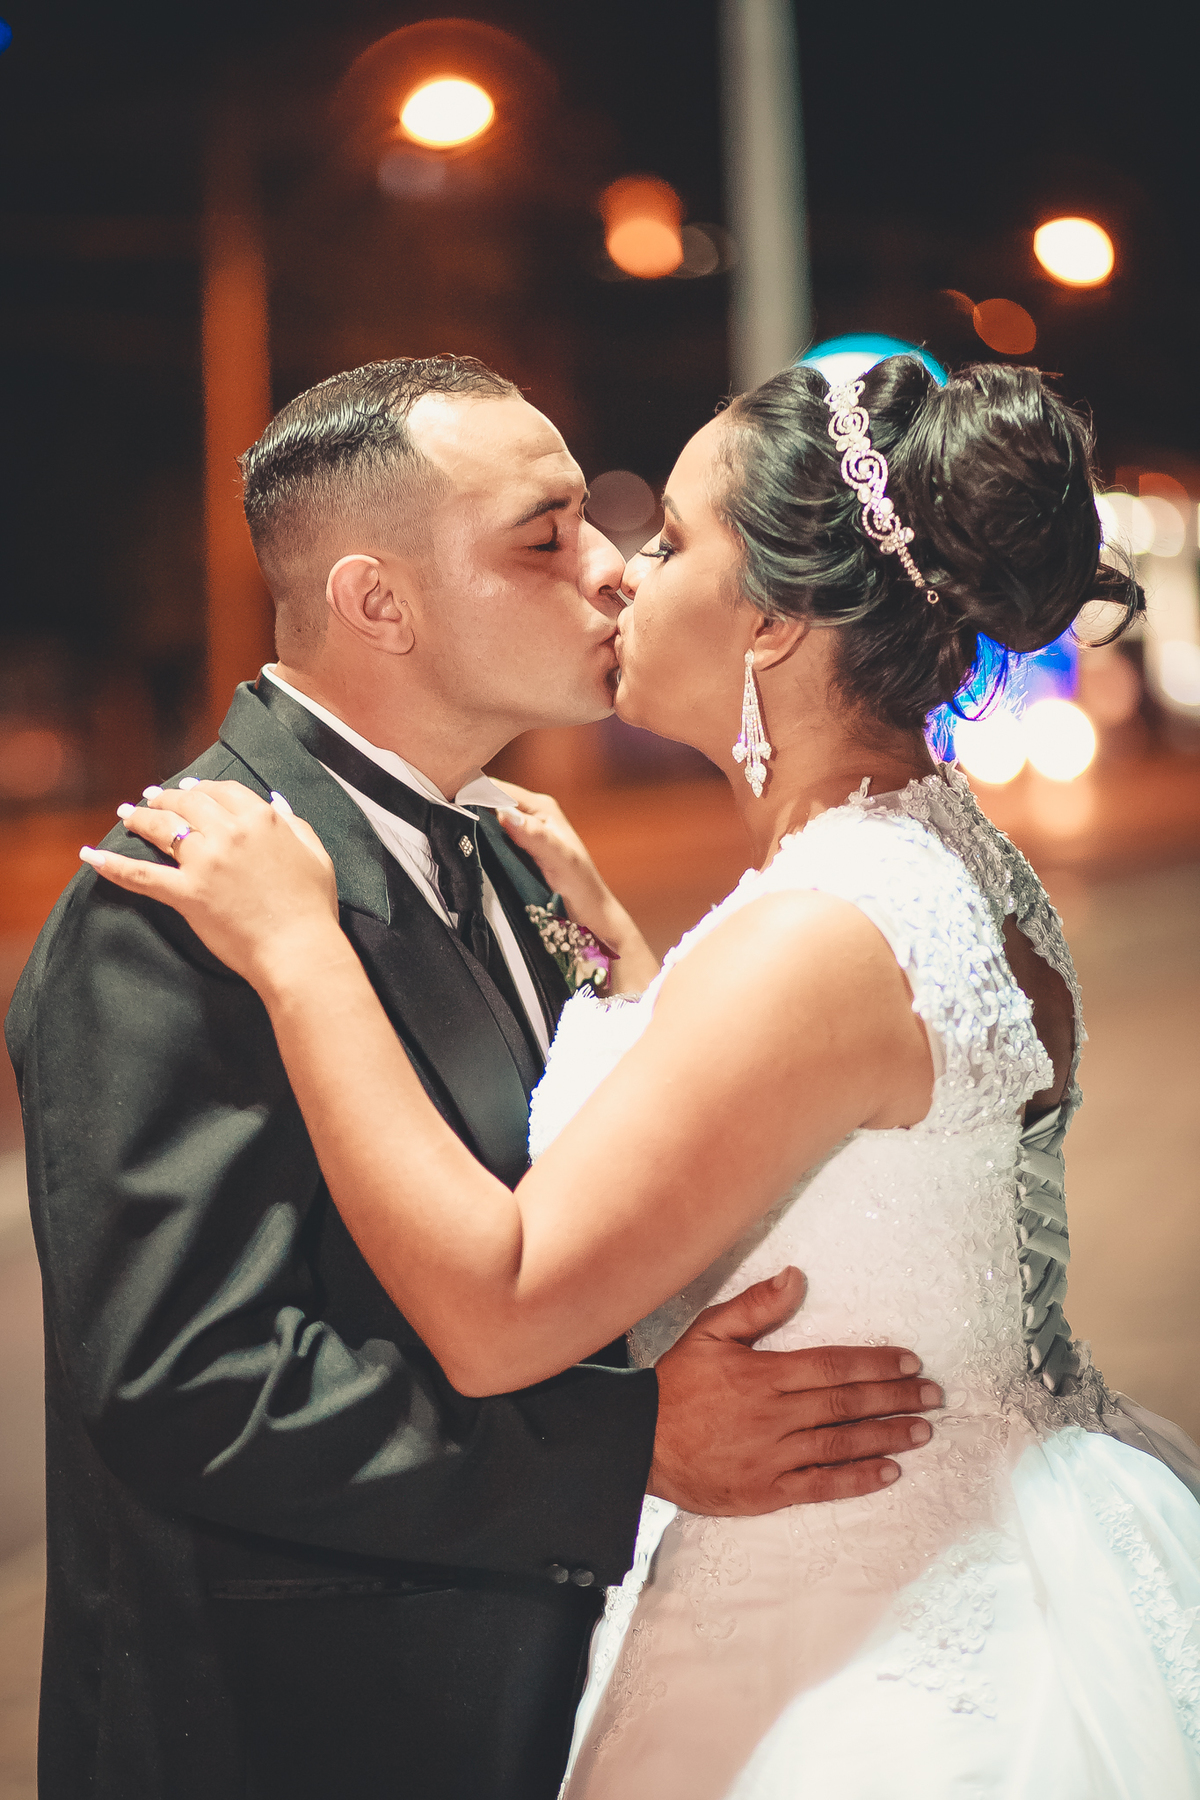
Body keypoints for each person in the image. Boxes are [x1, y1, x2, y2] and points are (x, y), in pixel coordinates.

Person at [93, 354, 1200, 1796]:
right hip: (967, 1537)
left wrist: (304, 953)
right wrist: (634, 975)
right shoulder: (943, 853)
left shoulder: (821, 931)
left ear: (773, 620)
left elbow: (501, 1309)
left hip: (868, 1639)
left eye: (671, 540)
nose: (625, 572)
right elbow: (800, 1131)